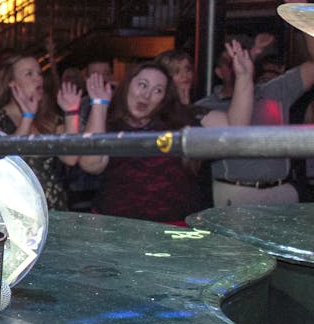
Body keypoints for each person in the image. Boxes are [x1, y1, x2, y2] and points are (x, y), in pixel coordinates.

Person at [80, 45, 253, 223]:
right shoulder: (110, 121)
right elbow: (91, 165)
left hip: (173, 229)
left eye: (157, 90)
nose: (147, 95)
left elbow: (236, 129)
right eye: (142, 85)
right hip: (115, 227)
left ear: (165, 97)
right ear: (127, 85)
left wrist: (244, 77)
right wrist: (99, 105)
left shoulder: (184, 118)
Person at [195, 0, 314, 207]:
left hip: (282, 193)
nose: (236, 61)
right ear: (218, 72)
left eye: (241, 55)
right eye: (228, 60)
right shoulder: (206, 107)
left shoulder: (275, 90)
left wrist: (306, 17)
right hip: (236, 194)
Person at [0, 54, 83, 210]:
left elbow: (71, 158)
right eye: (29, 74)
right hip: (16, 210)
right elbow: (3, 161)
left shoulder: (49, 118)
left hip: (54, 208)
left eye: (39, 73)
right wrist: (27, 118)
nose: (38, 79)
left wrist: (70, 112)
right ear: (11, 83)